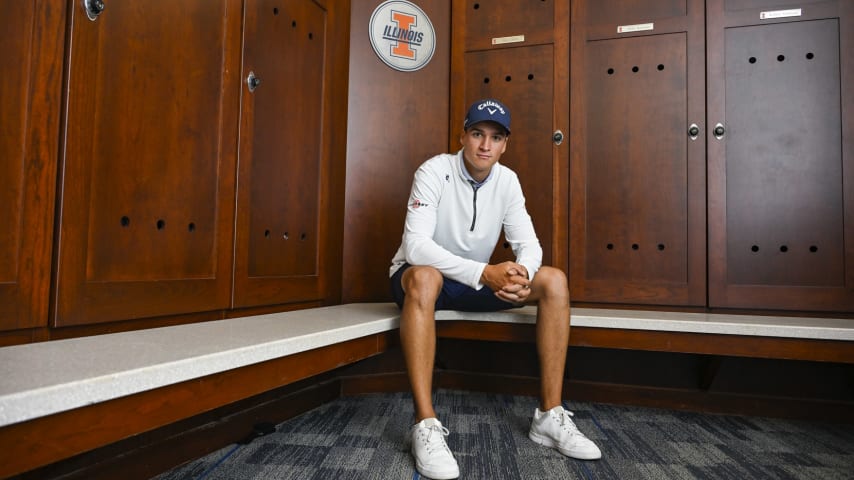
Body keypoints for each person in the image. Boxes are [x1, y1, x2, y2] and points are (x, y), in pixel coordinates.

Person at [389, 99, 602, 479]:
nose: (485, 145)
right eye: (477, 134)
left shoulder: (507, 180)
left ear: (505, 145)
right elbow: (417, 246)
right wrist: (484, 272)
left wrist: (522, 275)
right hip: (423, 280)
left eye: (495, 137)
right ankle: (424, 423)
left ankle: (549, 416)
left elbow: (530, 245)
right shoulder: (434, 170)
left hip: (476, 279)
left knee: (553, 280)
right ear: (463, 136)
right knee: (425, 275)